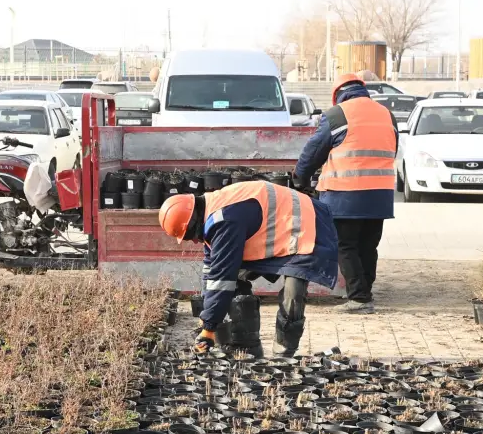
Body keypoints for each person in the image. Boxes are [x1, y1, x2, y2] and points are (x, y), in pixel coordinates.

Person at [158, 180, 338, 355]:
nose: (195, 240)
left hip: (305, 224)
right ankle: (247, 348)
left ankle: (283, 354)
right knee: (234, 279)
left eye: (190, 235)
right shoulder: (211, 214)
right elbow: (212, 271)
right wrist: (206, 318)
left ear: (193, 222)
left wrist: (209, 328)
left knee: (293, 291)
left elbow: (222, 277)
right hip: (277, 226)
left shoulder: (225, 220)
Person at [293, 73, 399, 314]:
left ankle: (360, 300)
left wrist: (299, 178)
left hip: (345, 194)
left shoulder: (336, 115)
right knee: (368, 246)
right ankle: (365, 292)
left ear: (338, 95)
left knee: (346, 245)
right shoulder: (386, 114)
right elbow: (392, 148)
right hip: (380, 195)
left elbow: (313, 152)